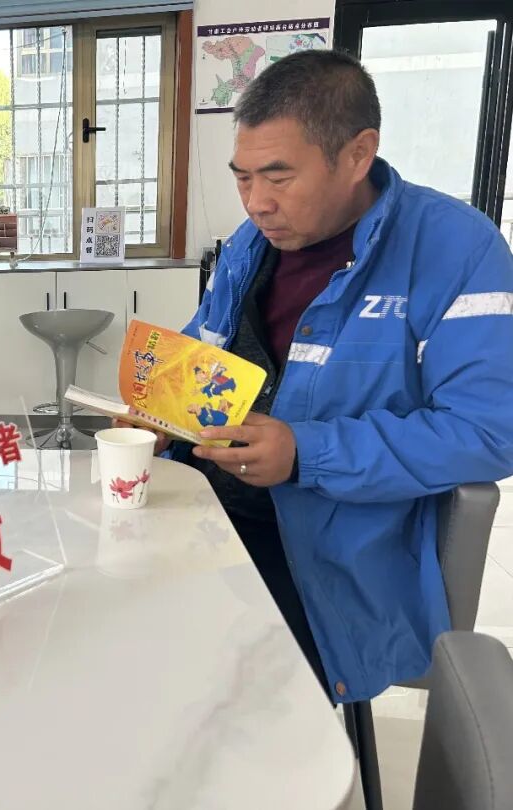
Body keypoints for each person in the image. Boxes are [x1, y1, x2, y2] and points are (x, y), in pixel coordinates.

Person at [122, 49, 513, 703]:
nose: (257, 203)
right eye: (243, 179)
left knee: (219, 697)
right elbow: (205, 355)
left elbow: (488, 431)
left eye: (279, 177)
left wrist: (306, 453)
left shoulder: (456, 250)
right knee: (106, 623)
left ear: (358, 154)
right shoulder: (251, 246)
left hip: (331, 553)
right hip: (210, 510)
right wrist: (160, 410)